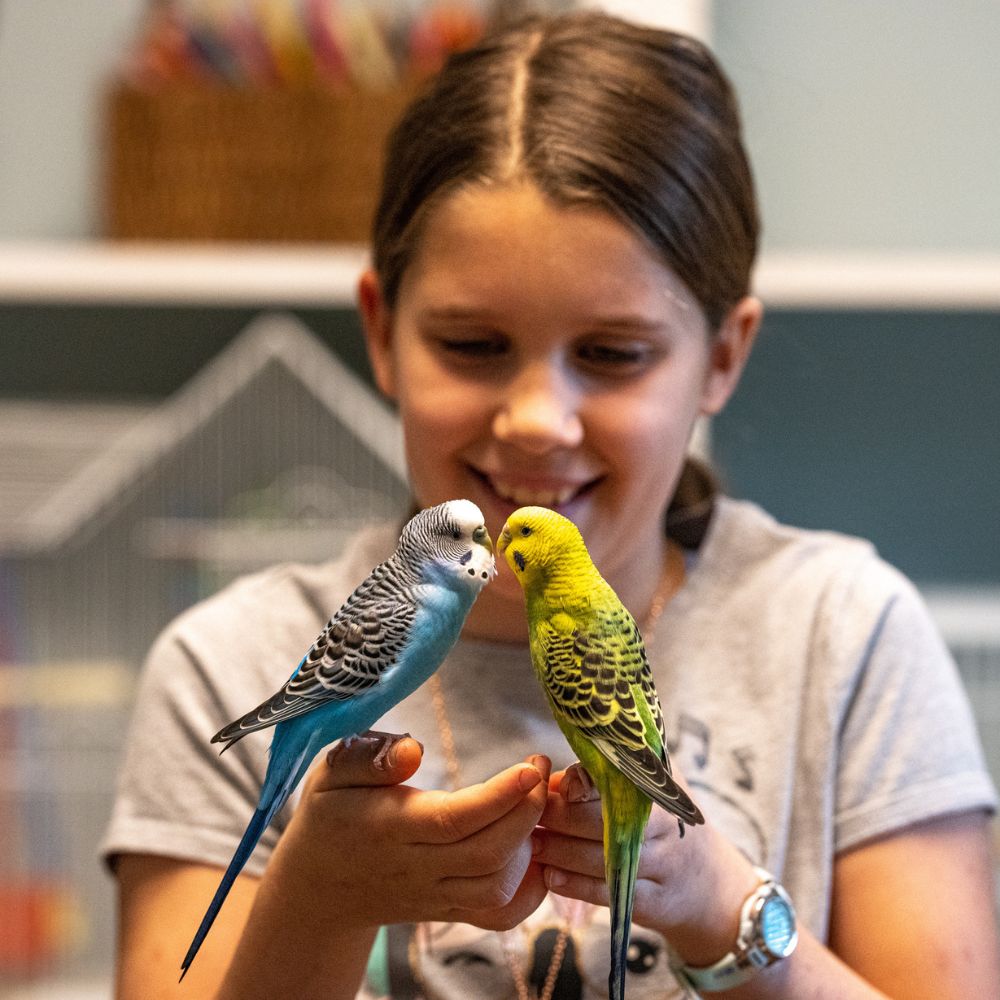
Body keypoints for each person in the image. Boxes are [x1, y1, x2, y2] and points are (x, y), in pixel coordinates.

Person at [102, 11, 1000, 1000]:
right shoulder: (223, 663)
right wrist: (317, 898)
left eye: (613, 354)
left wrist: (718, 902)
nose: (536, 421)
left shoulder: (846, 633)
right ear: (381, 331)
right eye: (473, 345)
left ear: (723, 356)